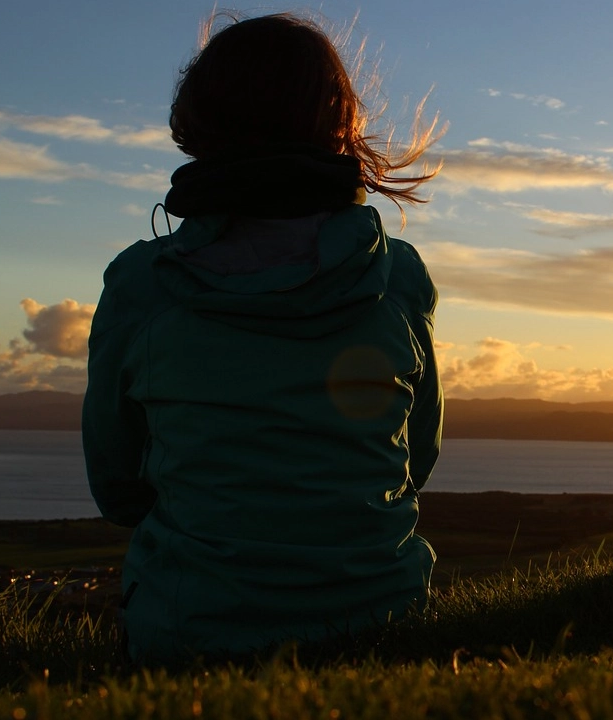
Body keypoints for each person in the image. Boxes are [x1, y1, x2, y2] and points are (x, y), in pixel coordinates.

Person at [82, 13, 443, 665]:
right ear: (338, 124)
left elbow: (117, 489)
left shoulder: (142, 285)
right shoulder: (398, 276)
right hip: (386, 627)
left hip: (188, 636)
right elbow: (415, 460)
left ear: (198, 124)